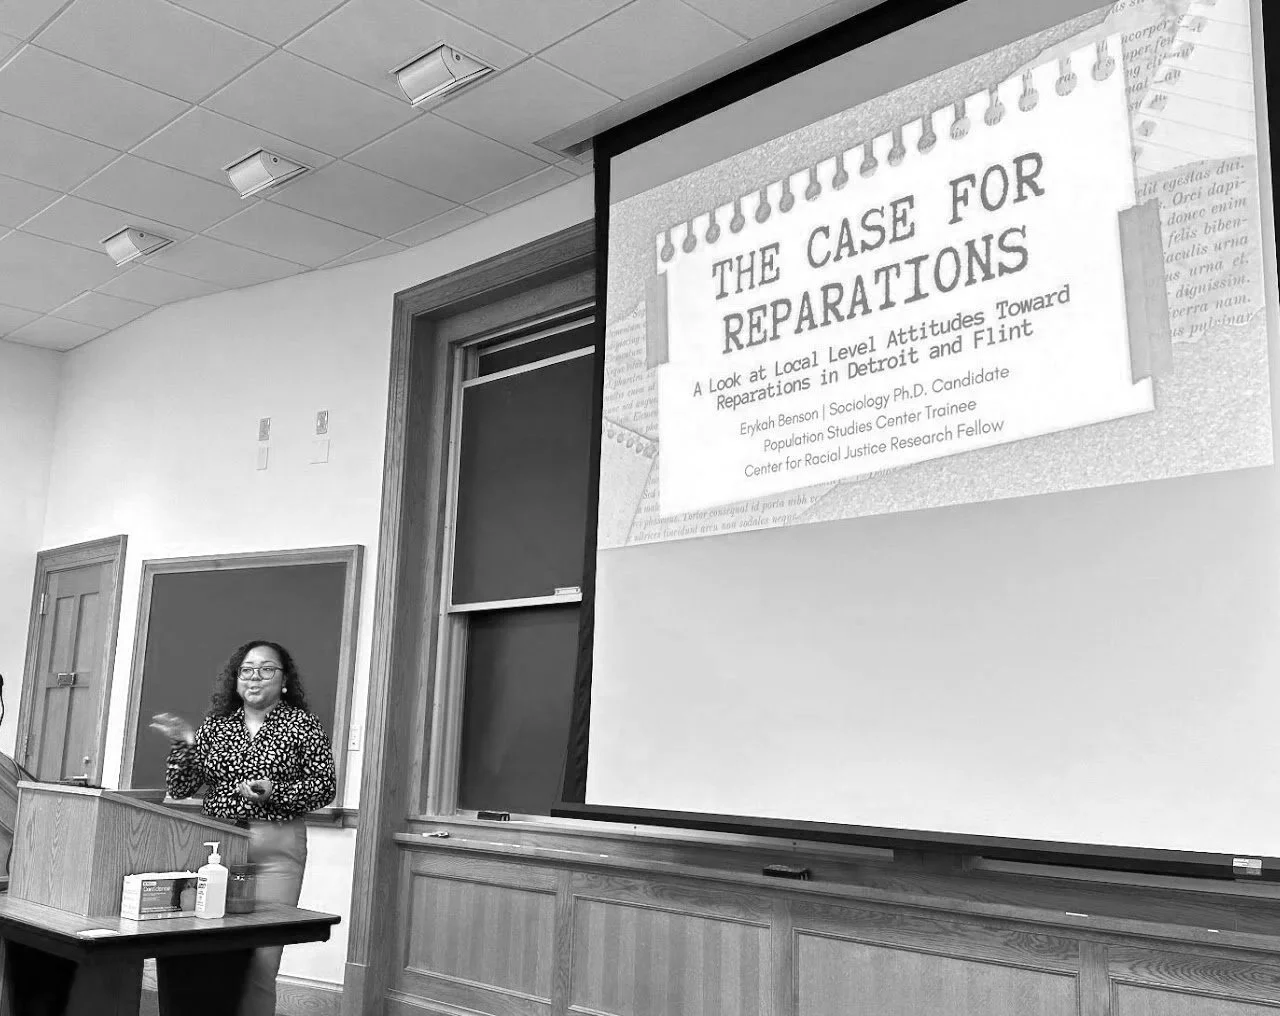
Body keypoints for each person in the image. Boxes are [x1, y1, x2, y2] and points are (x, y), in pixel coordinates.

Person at [150, 640, 336, 1016]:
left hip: (276, 852)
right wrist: (184, 743)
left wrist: (274, 791)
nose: (254, 678)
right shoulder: (217, 725)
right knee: (208, 953)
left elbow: (324, 787)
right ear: (235, 679)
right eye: (246, 670)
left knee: (261, 962)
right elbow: (181, 787)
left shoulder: (303, 724)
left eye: (266, 670)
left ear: (284, 680)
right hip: (216, 849)